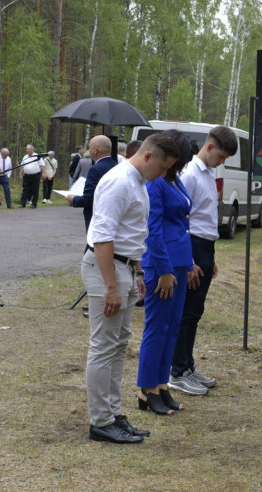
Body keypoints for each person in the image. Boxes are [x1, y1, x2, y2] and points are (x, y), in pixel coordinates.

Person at [82, 132, 180, 444]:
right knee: (103, 345)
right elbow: (102, 236)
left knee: (119, 342)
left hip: (124, 267)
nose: (164, 175)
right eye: (164, 168)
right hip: (106, 268)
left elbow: (132, 232)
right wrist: (111, 285)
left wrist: (137, 272)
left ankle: (112, 413)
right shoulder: (120, 181)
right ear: (149, 156)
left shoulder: (137, 181)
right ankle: (100, 420)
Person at [168, 126, 237, 397]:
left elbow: (206, 215)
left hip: (204, 245)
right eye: (220, 156)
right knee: (186, 312)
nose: (222, 162)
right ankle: (176, 370)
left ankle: (187, 365)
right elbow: (183, 219)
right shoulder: (190, 174)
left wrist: (210, 257)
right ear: (209, 147)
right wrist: (189, 260)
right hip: (193, 245)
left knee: (195, 312)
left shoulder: (208, 173)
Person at [136, 130, 194, 416]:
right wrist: (163, 269)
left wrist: (190, 261)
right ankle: (145, 389)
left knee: (171, 328)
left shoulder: (175, 180)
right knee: (157, 328)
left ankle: (161, 384)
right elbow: (153, 229)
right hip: (162, 266)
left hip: (180, 264)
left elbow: (181, 223)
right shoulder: (156, 182)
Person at [68, 135, 115, 229]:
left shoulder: (95, 169)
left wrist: (73, 199)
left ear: (96, 150)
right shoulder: (116, 166)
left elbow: (89, 199)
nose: (88, 150)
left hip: (97, 217)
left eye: (89, 147)